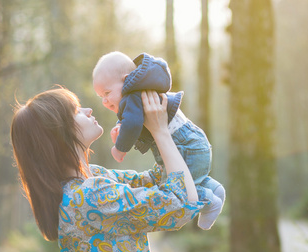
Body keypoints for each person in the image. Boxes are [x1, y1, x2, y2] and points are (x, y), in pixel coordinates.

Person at [11, 87, 209, 252]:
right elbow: (178, 203)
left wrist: (151, 129)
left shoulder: (91, 178)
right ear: (57, 135)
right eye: (76, 111)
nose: (88, 110)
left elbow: (154, 181)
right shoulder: (90, 195)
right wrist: (160, 131)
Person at [92, 51, 225, 230]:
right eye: (101, 97)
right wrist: (120, 125)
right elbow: (131, 120)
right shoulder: (139, 91)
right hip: (192, 142)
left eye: (107, 93)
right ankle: (214, 189)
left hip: (184, 146)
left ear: (125, 80)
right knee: (191, 178)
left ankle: (209, 201)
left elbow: (132, 124)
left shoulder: (132, 96)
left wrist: (120, 148)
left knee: (178, 187)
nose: (105, 101)